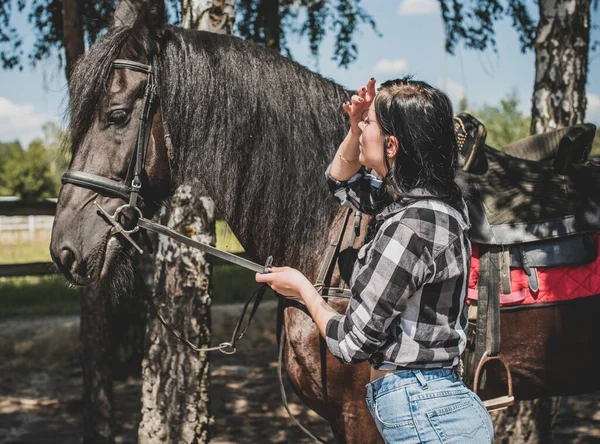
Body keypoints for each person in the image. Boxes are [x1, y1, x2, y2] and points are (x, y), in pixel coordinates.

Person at [256, 77, 494, 443]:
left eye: (370, 123)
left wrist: (303, 288)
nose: (361, 125)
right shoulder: (432, 204)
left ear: (393, 144)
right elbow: (338, 180)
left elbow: (352, 343)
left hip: (422, 413)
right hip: (433, 407)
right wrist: (356, 128)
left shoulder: (410, 226)